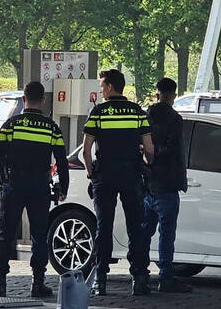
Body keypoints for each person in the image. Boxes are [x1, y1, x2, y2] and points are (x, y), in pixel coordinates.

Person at [0, 81, 69, 298]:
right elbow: (62, 161)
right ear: (43, 100)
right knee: (39, 235)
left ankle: (0, 282)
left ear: (24, 99)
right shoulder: (51, 128)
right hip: (39, 187)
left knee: (5, 233)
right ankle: (37, 283)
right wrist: (63, 187)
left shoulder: (11, 125)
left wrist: (0, 182)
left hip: (13, 184)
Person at [82, 69, 154, 296]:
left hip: (105, 175)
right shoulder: (137, 112)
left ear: (111, 86)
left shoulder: (98, 112)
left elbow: (86, 149)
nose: (101, 91)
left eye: (102, 86)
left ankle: (100, 279)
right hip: (131, 174)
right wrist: (146, 164)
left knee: (104, 226)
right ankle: (139, 278)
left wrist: (91, 173)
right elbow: (149, 148)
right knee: (136, 226)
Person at [142, 78, 193, 294]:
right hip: (168, 183)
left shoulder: (146, 116)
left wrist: (149, 159)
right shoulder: (175, 119)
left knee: (144, 232)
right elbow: (174, 149)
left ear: (157, 94)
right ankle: (165, 277)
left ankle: (140, 274)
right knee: (167, 233)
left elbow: (142, 145)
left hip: (148, 183)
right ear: (173, 95)